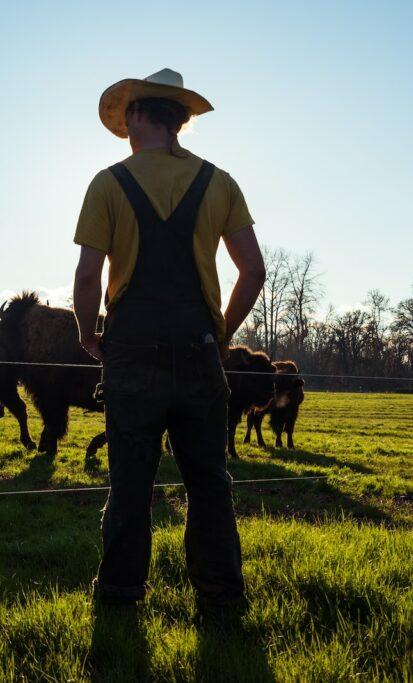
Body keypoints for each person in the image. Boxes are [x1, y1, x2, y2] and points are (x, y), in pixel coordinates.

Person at [72, 68, 266, 618]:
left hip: (130, 351)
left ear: (136, 116)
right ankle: (222, 602)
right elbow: (252, 271)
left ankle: (119, 602)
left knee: (130, 483)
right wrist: (220, 334)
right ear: (179, 119)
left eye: (126, 115)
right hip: (200, 347)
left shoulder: (108, 183)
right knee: (209, 483)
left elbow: (88, 278)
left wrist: (89, 334)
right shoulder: (220, 183)